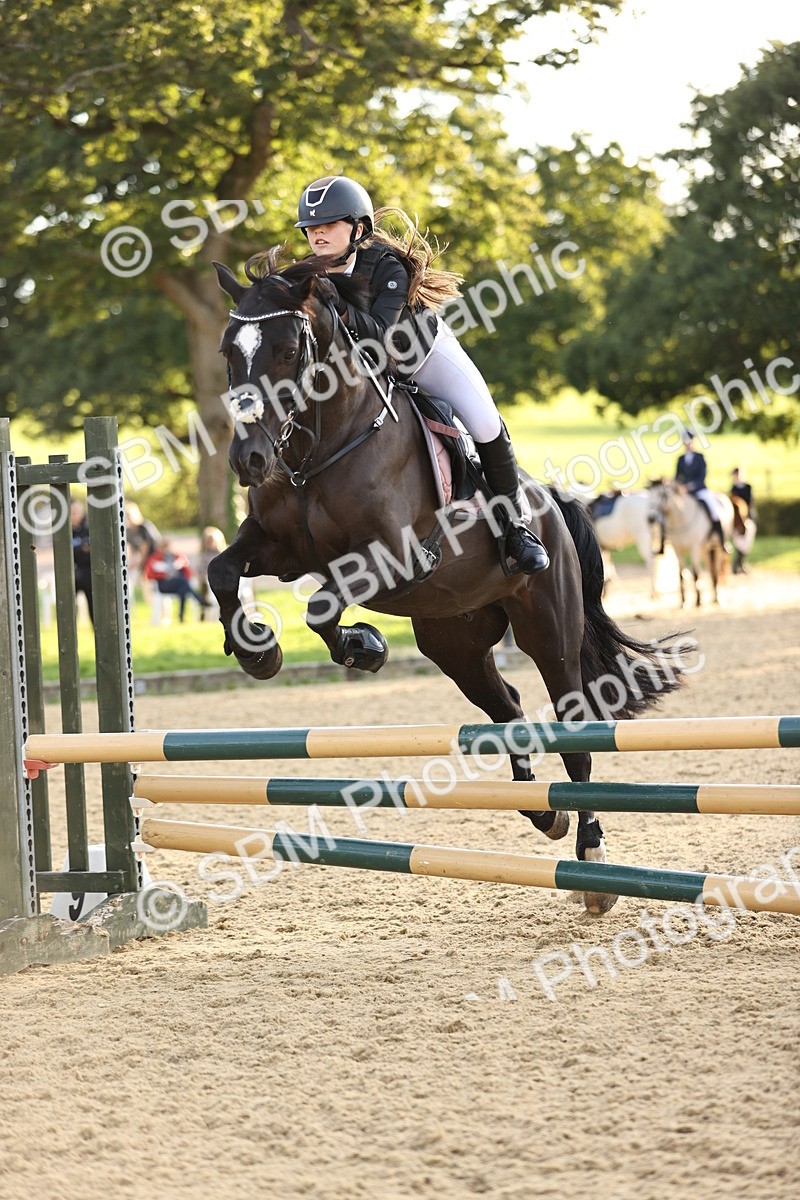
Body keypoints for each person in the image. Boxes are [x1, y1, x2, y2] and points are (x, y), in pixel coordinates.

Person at [292, 175, 549, 575]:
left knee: (482, 422)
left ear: (358, 229)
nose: (317, 233)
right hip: (364, 377)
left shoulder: (386, 266)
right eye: (310, 227)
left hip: (421, 355)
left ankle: (516, 525)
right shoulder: (306, 274)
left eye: (329, 224)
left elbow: (380, 336)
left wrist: (334, 304)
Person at [675, 432, 726, 546]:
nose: (687, 444)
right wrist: (679, 487)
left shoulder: (700, 457)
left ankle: (721, 539)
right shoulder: (681, 459)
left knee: (714, 510)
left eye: (689, 442)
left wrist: (689, 486)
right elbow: (677, 477)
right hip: (684, 492)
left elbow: (702, 477)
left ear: (693, 442)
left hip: (699, 490)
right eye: (685, 442)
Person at [144, 537, 211, 623]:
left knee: (183, 589)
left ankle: (181, 617)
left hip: (176, 584)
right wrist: (164, 571)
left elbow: (187, 570)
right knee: (182, 582)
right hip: (163, 584)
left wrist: (180, 564)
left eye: (167, 545)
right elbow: (150, 573)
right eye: (164, 545)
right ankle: (200, 600)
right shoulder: (155, 557)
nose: (166, 547)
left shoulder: (175, 556)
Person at [125, 503, 161, 597]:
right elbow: (131, 548)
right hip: (143, 561)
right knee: (146, 588)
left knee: (155, 587)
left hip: (153, 559)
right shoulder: (129, 531)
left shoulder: (144, 527)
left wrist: (139, 564)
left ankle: (163, 609)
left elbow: (145, 547)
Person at [730, 467, 757, 574]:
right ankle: (739, 563)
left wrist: (746, 516)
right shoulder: (733, 488)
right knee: (738, 541)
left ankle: (739, 562)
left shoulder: (748, 487)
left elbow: (750, 503)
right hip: (737, 519)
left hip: (747, 516)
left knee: (747, 539)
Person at [71, 500, 93, 625]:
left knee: (94, 607)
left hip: (88, 573)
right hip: (71, 572)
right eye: (72, 513)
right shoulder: (64, 531)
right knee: (68, 606)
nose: (75, 515)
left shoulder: (89, 529)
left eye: (77, 512)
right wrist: (82, 549)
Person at [196, 526, 226, 619]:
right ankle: (208, 614)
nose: (210, 544)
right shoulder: (204, 557)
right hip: (209, 582)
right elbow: (200, 571)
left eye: (212, 541)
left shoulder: (224, 554)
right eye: (208, 541)